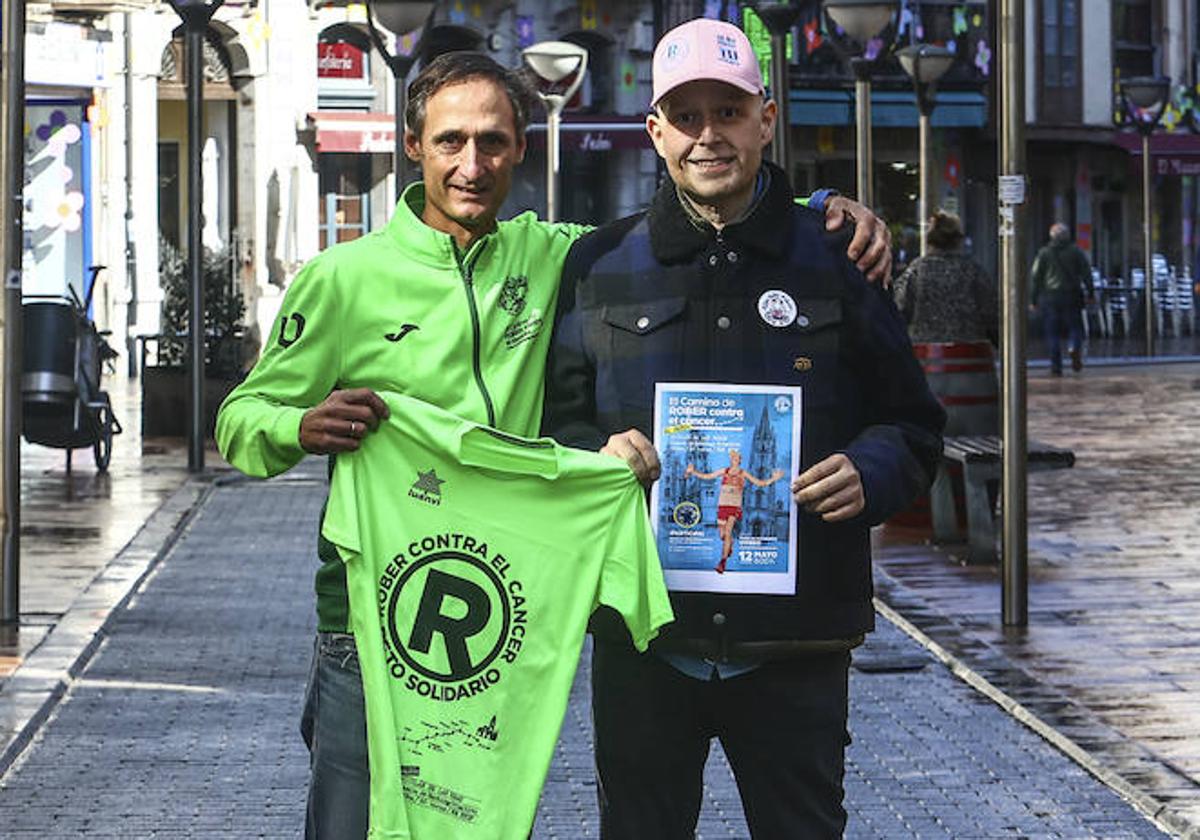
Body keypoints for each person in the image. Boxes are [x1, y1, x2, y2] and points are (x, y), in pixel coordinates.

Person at [214, 48, 895, 839]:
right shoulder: (341, 278)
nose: (474, 164)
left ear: (521, 148)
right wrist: (295, 426)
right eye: (451, 141)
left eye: (494, 142)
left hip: (511, 610)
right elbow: (240, 422)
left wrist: (819, 205)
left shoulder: (561, 257)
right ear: (413, 146)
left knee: (485, 820)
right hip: (370, 614)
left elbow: (701, 204)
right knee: (358, 823)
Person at [543, 18, 945, 839]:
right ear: (655, 132)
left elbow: (912, 422)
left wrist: (869, 471)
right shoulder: (597, 266)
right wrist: (595, 455)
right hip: (647, 642)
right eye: (686, 117)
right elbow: (555, 426)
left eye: (727, 112)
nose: (708, 136)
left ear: (765, 119)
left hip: (797, 645)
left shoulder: (837, 259)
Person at [892, 210, 997, 345]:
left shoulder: (917, 270)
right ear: (958, 239)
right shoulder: (972, 270)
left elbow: (898, 310)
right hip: (970, 356)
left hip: (926, 357)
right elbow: (991, 314)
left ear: (929, 239)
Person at [685, 450, 785, 572]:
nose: (734, 460)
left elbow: (760, 483)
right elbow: (708, 476)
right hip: (722, 506)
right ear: (730, 460)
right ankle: (729, 544)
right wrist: (693, 471)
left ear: (739, 460)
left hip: (734, 507)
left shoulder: (743, 473)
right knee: (722, 535)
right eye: (733, 458)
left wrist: (774, 478)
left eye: (737, 458)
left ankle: (722, 562)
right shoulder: (724, 471)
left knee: (728, 533)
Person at [1031, 221, 1095, 374]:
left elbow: (1036, 277)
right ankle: (1074, 346)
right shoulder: (1076, 252)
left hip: (1050, 296)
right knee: (1075, 327)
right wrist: (1091, 293)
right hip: (1072, 294)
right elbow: (1086, 273)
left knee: (1052, 332)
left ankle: (1056, 366)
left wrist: (1033, 299)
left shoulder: (1044, 253)